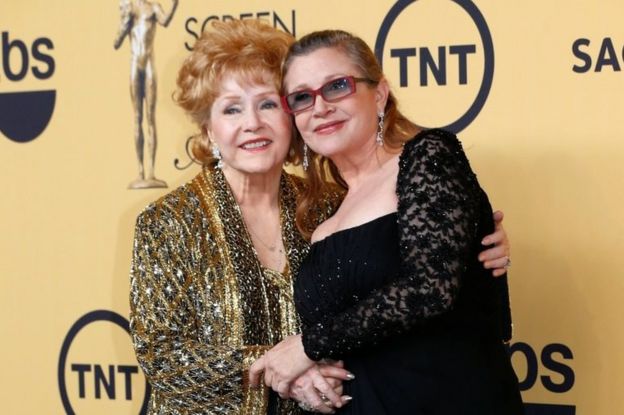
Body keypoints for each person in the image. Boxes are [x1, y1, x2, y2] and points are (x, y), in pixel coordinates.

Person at [130, 20, 513, 414]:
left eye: (267, 104)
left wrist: (479, 249)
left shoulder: (326, 204)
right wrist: (280, 368)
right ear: (209, 129)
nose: (253, 124)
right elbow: (162, 355)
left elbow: (416, 279)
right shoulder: (169, 221)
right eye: (231, 109)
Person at [250, 29, 523, 414]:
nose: (320, 107)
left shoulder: (428, 157)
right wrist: (306, 372)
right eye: (302, 97)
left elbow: (431, 289)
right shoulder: (326, 212)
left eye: (337, 87)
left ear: (378, 94)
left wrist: (308, 346)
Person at [114, 0, 178, 189]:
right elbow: (117, 42)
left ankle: (151, 172)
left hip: (149, 64)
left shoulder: (154, 7)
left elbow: (165, 21)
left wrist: (174, 5)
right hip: (135, 64)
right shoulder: (129, 7)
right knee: (137, 117)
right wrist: (125, 21)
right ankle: (140, 171)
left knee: (150, 118)